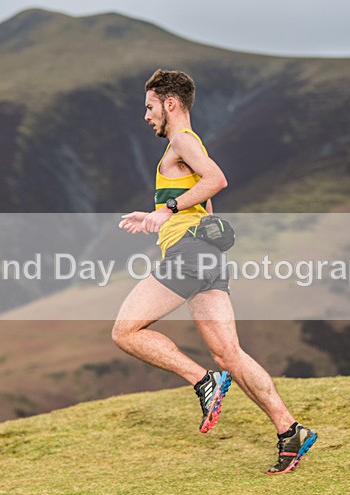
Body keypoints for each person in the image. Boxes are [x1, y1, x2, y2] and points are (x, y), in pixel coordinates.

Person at [112, 69, 317, 474]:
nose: (147, 115)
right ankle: (289, 430)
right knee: (230, 354)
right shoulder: (190, 145)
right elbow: (205, 203)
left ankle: (201, 381)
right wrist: (157, 214)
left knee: (125, 332)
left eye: (150, 107)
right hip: (207, 256)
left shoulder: (181, 141)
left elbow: (217, 180)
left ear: (170, 104)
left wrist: (166, 211)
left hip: (189, 255)